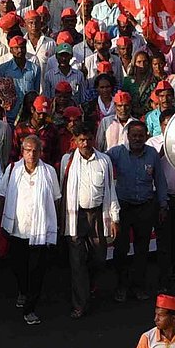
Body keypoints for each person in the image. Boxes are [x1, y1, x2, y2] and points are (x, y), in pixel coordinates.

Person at [0, 133, 61, 325]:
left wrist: (53, 225)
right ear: (22, 151)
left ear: (40, 152)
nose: (31, 155)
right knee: (18, 266)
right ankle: (23, 291)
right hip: (18, 228)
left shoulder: (48, 172)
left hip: (39, 230)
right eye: (28, 150)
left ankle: (30, 307)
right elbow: (3, 193)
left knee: (37, 270)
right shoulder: (13, 169)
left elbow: (56, 198)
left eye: (35, 151)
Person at [61, 126, 120, 318]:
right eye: (81, 140)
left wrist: (115, 217)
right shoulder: (67, 161)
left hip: (98, 216)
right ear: (75, 141)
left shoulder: (104, 160)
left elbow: (111, 189)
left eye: (88, 139)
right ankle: (80, 304)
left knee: (99, 258)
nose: (85, 143)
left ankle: (89, 286)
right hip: (75, 216)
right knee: (76, 262)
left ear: (93, 139)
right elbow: (62, 192)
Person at [108, 119, 166, 303]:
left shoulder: (152, 154)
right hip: (124, 208)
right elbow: (100, 162)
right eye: (134, 135)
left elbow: (160, 181)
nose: (137, 139)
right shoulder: (116, 153)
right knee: (121, 250)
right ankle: (121, 286)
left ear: (146, 136)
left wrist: (163, 205)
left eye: (141, 136)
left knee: (142, 250)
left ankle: (138, 286)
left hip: (145, 207)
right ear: (128, 136)